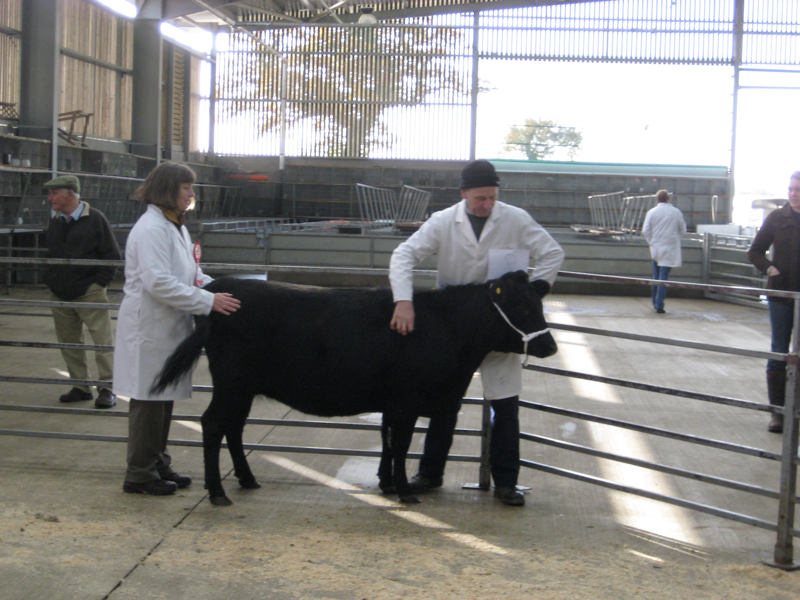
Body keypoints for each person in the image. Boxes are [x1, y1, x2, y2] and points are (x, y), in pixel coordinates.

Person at [389, 159, 564, 506]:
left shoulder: (515, 218)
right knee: (443, 404)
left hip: (500, 331)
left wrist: (533, 292)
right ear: (464, 193)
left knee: (505, 405)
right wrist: (403, 301)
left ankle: (506, 482)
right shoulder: (443, 221)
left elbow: (553, 253)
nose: (486, 205)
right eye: (479, 198)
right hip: (453, 332)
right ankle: (430, 473)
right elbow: (403, 254)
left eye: (492, 198)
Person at [113, 162, 241, 496]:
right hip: (151, 326)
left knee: (163, 397)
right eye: (187, 188)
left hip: (169, 324)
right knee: (148, 401)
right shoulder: (152, 229)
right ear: (169, 189)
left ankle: (158, 463)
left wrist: (218, 288)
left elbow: (190, 273)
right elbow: (159, 283)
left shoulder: (175, 226)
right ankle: (138, 474)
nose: (191, 195)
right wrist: (207, 302)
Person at [44, 174, 122, 409]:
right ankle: (80, 386)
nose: (50, 198)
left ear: (70, 194)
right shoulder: (57, 221)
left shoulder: (95, 219)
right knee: (69, 342)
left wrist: (98, 284)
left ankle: (108, 387)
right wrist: (52, 280)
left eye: (54, 193)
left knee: (102, 341)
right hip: (60, 293)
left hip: (89, 292)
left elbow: (112, 255)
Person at [747, 171, 800, 434]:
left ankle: (796, 410)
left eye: (798, 190)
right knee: (779, 350)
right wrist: (770, 270)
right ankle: (777, 412)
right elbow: (755, 251)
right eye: (791, 189)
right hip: (780, 295)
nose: (793, 194)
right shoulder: (777, 218)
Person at [642, 189, 687, 314]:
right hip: (669, 248)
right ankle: (659, 304)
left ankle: (654, 302)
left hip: (656, 248)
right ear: (668, 198)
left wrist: (652, 242)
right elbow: (683, 229)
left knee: (656, 276)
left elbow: (646, 230)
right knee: (663, 277)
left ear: (657, 199)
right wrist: (674, 237)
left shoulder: (652, 212)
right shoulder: (676, 212)